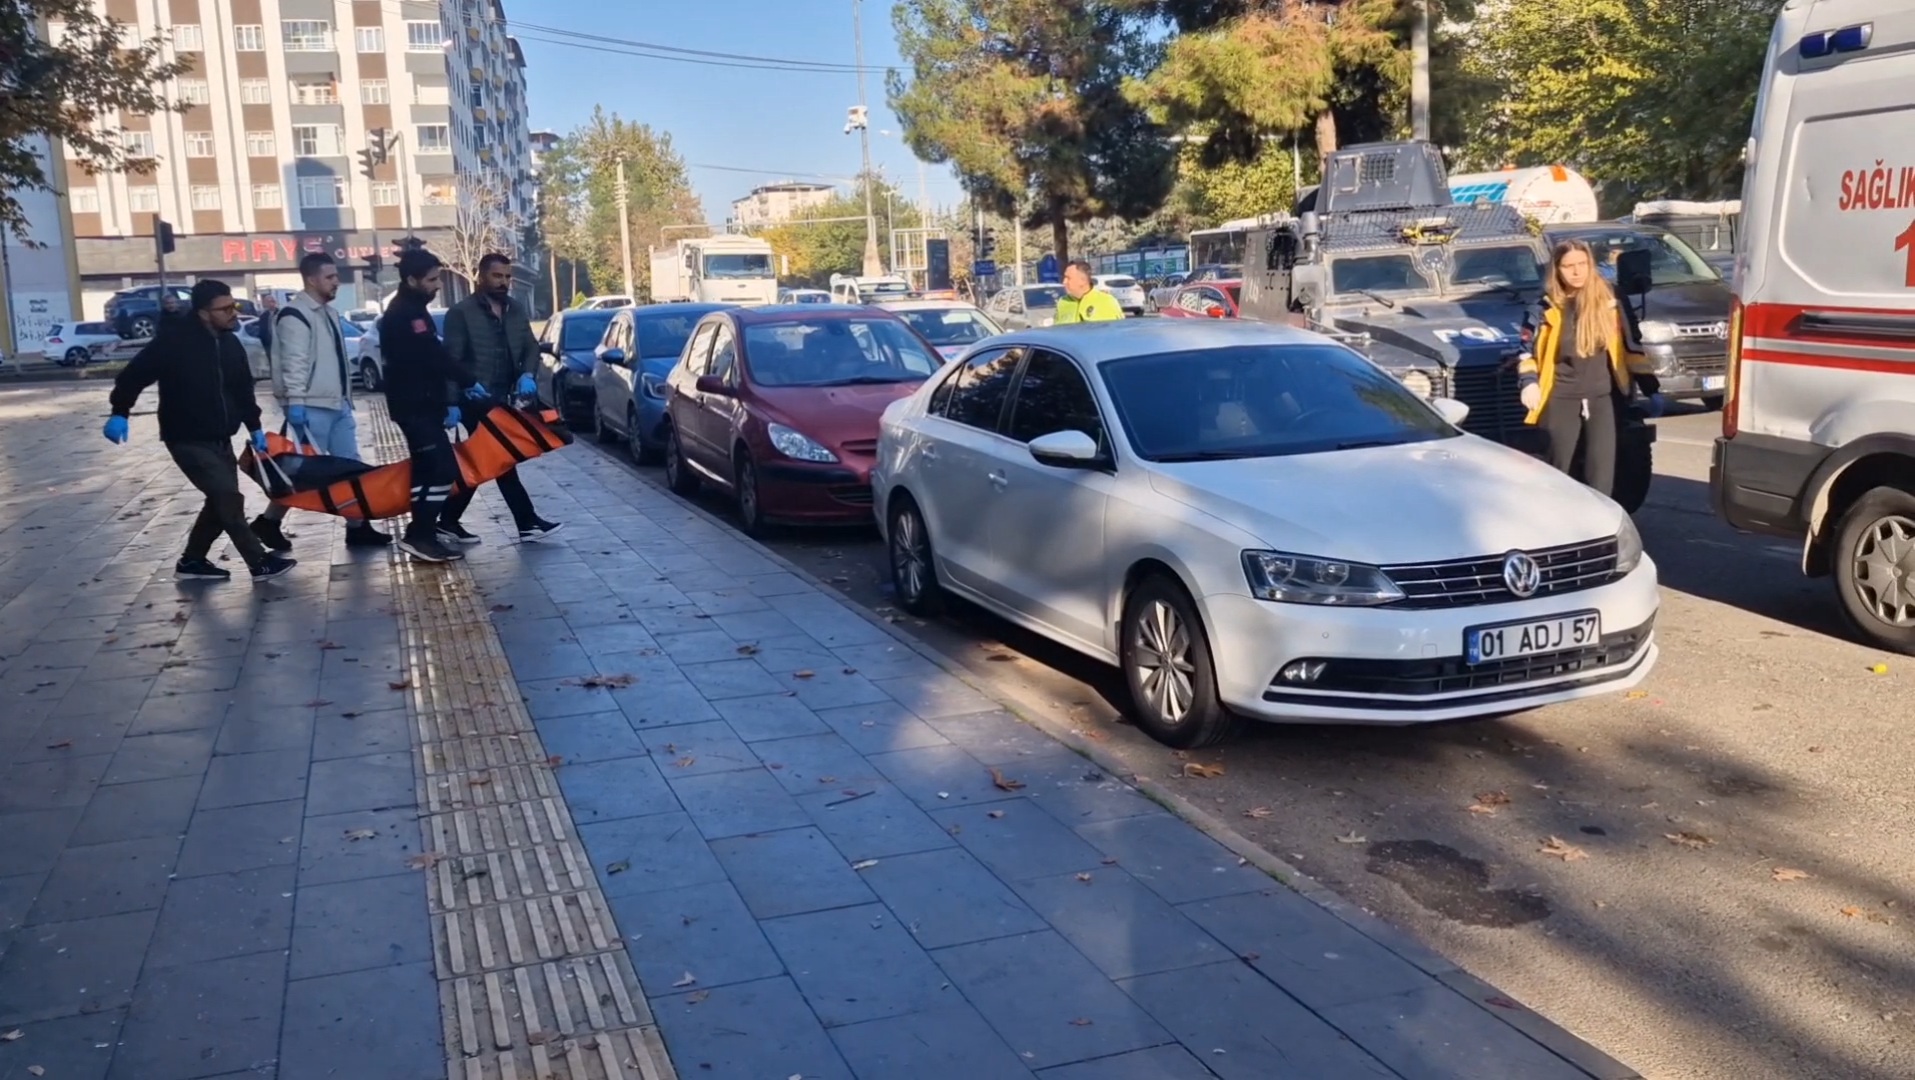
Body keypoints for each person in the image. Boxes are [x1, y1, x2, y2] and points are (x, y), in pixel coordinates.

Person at [104, 279, 297, 582]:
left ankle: (192, 561)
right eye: (223, 309)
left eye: (232, 305)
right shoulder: (175, 341)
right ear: (204, 313)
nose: (232, 313)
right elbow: (133, 376)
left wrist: (256, 427)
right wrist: (120, 413)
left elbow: (242, 390)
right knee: (228, 497)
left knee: (219, 500)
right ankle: (258, 561)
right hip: (186, 436)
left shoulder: (230, 343)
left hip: (221, 437)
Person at [252, 253, 390, 552]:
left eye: (336, 276)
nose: (336, 281)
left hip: (336, 402)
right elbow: (295, 363)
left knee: (349, 467)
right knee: (303, 475)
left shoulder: (325, 311)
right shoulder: (295, 315)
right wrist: (297, 402)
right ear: (312, 279)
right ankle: (269, 521)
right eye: (330, 277)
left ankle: (357, 526)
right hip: (312, 406)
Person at [1517, 238, 1662, 498]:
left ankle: (1601, 530)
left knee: (1602, 473)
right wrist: (1529, 382)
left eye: (1582, 264)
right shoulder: (1544, 307)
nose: (1576, 271)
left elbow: (1631, 346)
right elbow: (1526, 352)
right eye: (1568, 266)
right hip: (1560, 396)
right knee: (1561, 469)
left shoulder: (1611, 300)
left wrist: (1651, 388)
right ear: (1556, 269)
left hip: (1602, 397)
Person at [435, 252, 563, 544]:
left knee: (488, 459)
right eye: (497, 276)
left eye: (507, 277)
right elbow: (451, 360)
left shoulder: (515, 310)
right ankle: (527, 521)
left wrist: (527, 374)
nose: (504, 282)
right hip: (473, 399)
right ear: (481, 276)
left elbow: (531, 347)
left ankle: (448, 520)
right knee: (501, 457)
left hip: (502, 398)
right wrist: (451, 402)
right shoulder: (461, 313)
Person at [380, 249, 487, 563]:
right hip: (415, 405)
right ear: (412, 280)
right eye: (432, 279)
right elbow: (433, 356)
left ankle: (422, 530)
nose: (437, 285)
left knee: (429, 470)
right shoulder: (407, 313)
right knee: (441, 470)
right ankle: (420, 534)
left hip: (421, 403)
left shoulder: (413, 308)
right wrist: (468, 380)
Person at [1053, 260, 1124, 324]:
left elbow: (1118, 331)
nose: (1064, 282)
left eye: (1068, 278)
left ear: (1082, 281)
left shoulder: (1106, 301)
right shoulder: (1062, 302)